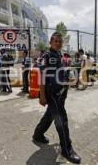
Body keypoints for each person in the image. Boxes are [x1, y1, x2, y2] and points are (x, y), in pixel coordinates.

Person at [32, 32, 81, 164]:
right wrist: (42, 96)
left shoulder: (59, 54)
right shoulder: (46, 55)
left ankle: (38, 135)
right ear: (51, 42)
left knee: (50, 115)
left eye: (60, 41)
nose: (58, 43)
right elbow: (41, 76)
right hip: (52, 94)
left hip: (61, 92)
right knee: (62, 121)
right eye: (56, 41)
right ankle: (67, 150)